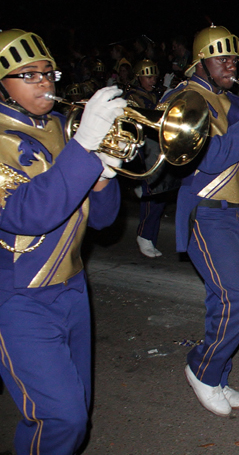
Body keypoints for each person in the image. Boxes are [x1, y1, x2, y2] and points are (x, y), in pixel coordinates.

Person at [0, 29, 125, 454]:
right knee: (59, 418)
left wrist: (105, 174)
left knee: (79, 408)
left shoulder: (62, 127)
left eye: (48, 73)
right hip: (18, 295)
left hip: (72, 289)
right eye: (28, 75)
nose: (45, 83)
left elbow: (105, 222)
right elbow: (29, 215)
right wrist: (86, 147)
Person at [166, 26, 239, 417]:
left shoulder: (229, 100)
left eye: (234, 57)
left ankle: (216, 373)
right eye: (221, 58)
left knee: (223, 299)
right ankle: (202, 367)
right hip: (206, 212)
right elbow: (209, 157)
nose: (231, 64)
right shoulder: (181, 99)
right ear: (200, 61)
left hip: (234, 212)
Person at [124, 59, 169, 257]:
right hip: (144, 151)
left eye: (154, 76)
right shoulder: (132, 97)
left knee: (161, 193)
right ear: (138, 77)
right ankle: (145, 235)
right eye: (148, 76)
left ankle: (149, 234)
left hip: (159, 148)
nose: (152, 80)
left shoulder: (155, 93)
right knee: (154, 194)